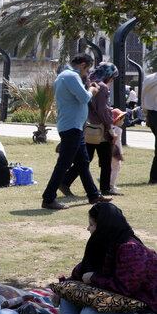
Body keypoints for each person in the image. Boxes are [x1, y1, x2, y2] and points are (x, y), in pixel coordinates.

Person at [59, 203, 156, 314]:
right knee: (66, 294)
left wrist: (93, 278)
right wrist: (63, 287)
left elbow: (126, 289)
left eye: (91, 225)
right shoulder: (103, 245)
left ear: (103, 227)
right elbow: (81, 271)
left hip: (144, 306)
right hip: (116, 300)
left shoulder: (130, 249)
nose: (88, 229)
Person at [41, 53, 110, 210]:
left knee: (83, 162)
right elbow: (84, 98)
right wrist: (92, 90)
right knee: (63, 164)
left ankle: (93, 195)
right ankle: (48, 198)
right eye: (87, 70)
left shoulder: (66, 76)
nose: (87, 74)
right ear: (83, 65)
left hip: (74, 127)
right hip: (71, 127)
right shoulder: (71, 76)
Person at [60, 63, 122, 197]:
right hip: (99, 130)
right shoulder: (102, 87)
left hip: (87, 128)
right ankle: (105, 189)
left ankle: (65, 181)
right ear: (109, 75)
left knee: (85, 159)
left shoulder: (89, 83)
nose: (112, 80)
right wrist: (110, 127)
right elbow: (103, 110)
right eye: (113, 77)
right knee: (105, 160)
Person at [141, 71, 157, 184]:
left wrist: (146, 115)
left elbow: (143, 98)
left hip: (151, 114)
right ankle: (154, 177)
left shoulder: (148, 78)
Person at [109, 109, 125, 193]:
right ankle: (111, 185)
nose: (123, 122)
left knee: (111, 167)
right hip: (115, 151)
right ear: (117, 120)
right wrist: (121, 154)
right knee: (116, 168)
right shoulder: (118, 130)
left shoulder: (109, 128)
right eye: (122, 120)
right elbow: (118, 142)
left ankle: (110, 182)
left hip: (108, 150)